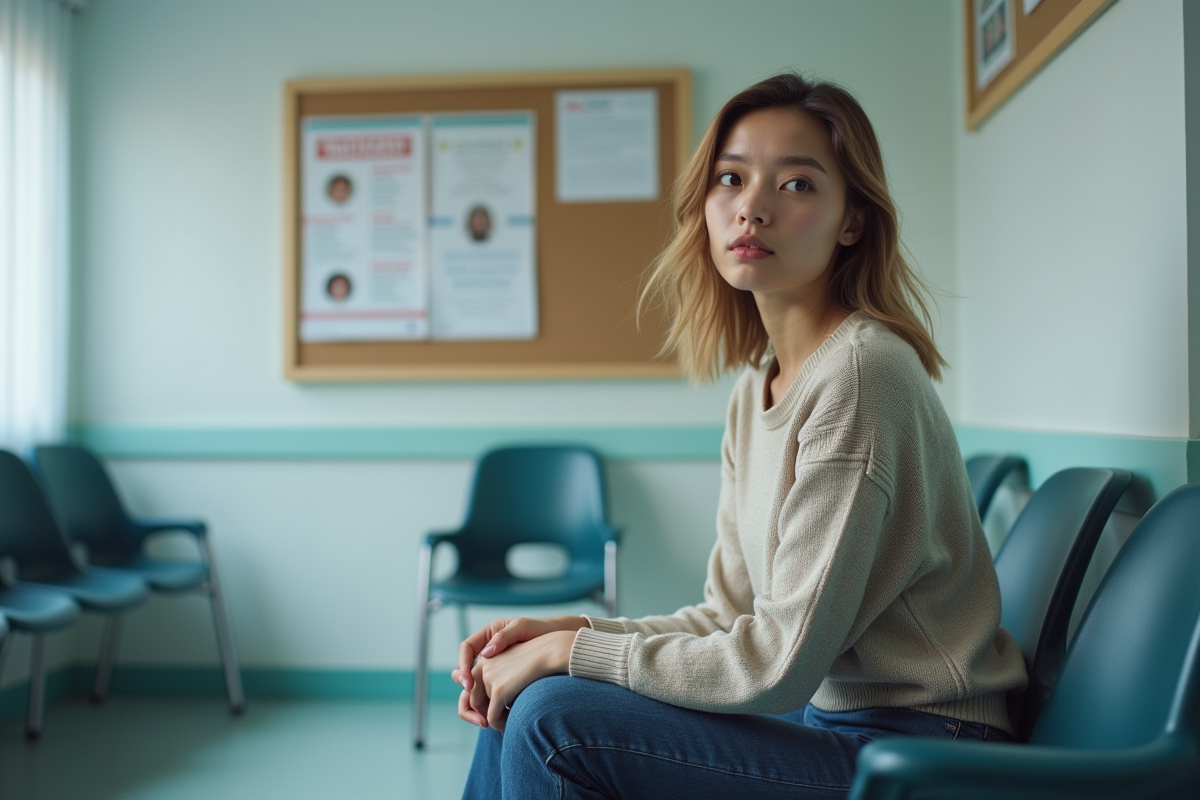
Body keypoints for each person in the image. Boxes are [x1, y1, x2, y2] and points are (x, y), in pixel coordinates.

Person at [452, 72, 1027, 799]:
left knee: (552, 718)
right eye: (731, 178)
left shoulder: (861, 374)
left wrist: (578, 653)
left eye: (796, 185)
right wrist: (568, 634)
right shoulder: (756, 391)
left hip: (925, 749)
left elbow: (776, 661)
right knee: (521, 699)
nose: (752, 207)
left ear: (852, 220)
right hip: (833, 722)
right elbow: (727, 617)